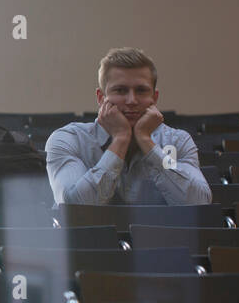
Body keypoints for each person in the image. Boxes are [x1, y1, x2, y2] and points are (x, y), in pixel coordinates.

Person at [45, 48, 212, 206]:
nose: (132, 100)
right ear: (101, 98)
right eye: (120, 90)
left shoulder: (175, 142)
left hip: (157, 236)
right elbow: (74, 208)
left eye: (141, 91)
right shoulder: (70, 140)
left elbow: (199, 203)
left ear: (154, 98)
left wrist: (148, 143)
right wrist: (120, 140)